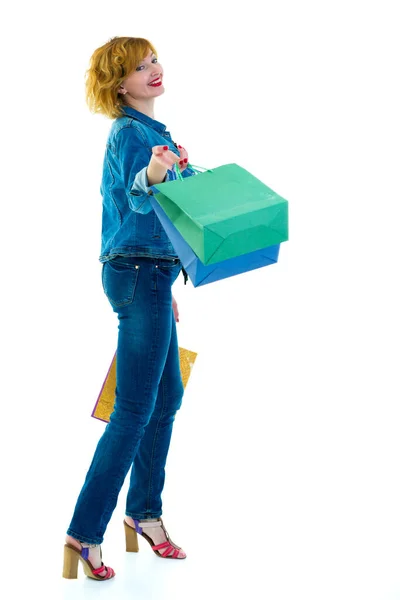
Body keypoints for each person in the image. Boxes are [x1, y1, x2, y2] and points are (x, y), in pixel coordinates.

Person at [63, 36, 196, 581]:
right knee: (134, 410)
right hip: (137, 271)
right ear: (120, 85)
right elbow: (136, 196)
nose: (154, 70)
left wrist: (167, 287)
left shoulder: (156, 133)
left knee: (167, 395)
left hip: (151, 273)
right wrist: (158, 175)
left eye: (153, 60)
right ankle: (84, 532)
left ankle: (144, 513)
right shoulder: (129, 132)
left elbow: (166, 218)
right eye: (139, 68)